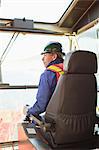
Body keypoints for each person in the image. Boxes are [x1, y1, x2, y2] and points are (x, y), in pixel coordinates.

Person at [24, 42, 65, 122]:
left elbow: (41, 106)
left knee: (31, 120)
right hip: (82, 122)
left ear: (54, 56)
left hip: (58, 123)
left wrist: (28, 111)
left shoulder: (48, 74)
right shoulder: (72, 72)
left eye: (45, 55)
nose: (42, 59)